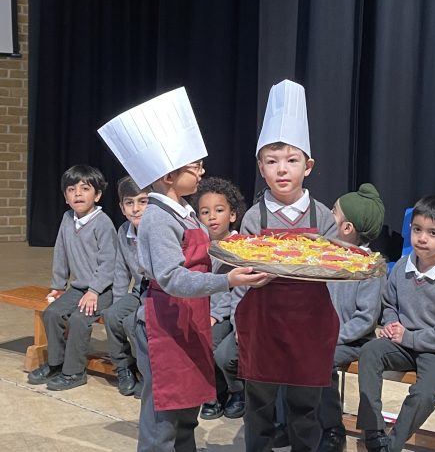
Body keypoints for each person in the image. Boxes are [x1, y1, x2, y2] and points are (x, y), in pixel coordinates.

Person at [98, 88, 268, 452]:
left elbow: (205, 253)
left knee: (187, 408)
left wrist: (243, 253)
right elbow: (173, 278)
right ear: (169, 175)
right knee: (164, 414)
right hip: (164, 320)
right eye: (196, 166)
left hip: (188, 317)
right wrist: (228, 280)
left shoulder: (186, 211)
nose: (202, 171)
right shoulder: (158, 219)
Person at [235, 79, 339, 451]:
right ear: (261, 167)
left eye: (292, 160)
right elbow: (243, 270)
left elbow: (338, 264)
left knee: (305, 408)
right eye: (272, 161)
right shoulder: (253, 218)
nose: (283, 170)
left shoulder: (323, 215)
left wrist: (317, 256)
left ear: (308, 166)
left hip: (310, 325)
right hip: (263, 324)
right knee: (259, 406)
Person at [357, 195, 435, 452]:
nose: (422, 238)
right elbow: (389, 304)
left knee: (422, 394)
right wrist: (391, 323)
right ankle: (374, 430)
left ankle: (392, 445)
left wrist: (408, 337)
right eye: (417, 229)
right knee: (369, 352)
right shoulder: (402, 266)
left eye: (433, 233)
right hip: (405, 344)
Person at [27, 165, 117, 391]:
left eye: (85, 189)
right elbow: (61, 253)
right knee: (52, 313)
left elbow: (109, 263)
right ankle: (56, 364)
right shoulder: (68, 219)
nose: (77, 194)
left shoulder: (103, 223)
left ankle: (74, 371)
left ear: (97, 195)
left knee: (79, 319)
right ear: (66, 197)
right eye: (71, 189)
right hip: (78, 289)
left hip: (103, 291)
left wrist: (94, 291)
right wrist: (58, 286)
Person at [318, 183, 386, 452]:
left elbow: (366, 319)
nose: (327, 215)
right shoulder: (327, 255)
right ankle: (290, 419)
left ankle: (333, 428)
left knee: (321, 359)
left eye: (333, 212)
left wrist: (331, 337)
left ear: (347, 228)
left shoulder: (370, 267)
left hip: (353, 340)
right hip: (326, 336)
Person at [190, 176, 247, 420]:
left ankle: (236, 390)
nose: (212, 216)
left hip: (227, 315)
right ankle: (212, 393)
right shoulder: (199, 244)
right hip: (204, 312)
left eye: (219, 210)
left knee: (213, 346)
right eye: (205, 212)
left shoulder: (237, 246)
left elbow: (232, 291)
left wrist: (213, 315)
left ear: (232, 215)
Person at [102, 176, 149, 397]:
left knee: (133, 322)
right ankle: (124, 368)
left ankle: (146, 375)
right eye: (129, 203)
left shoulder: (158, 229)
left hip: (156, 293)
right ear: (122, 207)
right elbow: (121, 271)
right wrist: (119, 302)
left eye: (142, 202)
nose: (136, 209)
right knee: (112, 315)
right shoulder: (123, 232)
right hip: (139, 290)